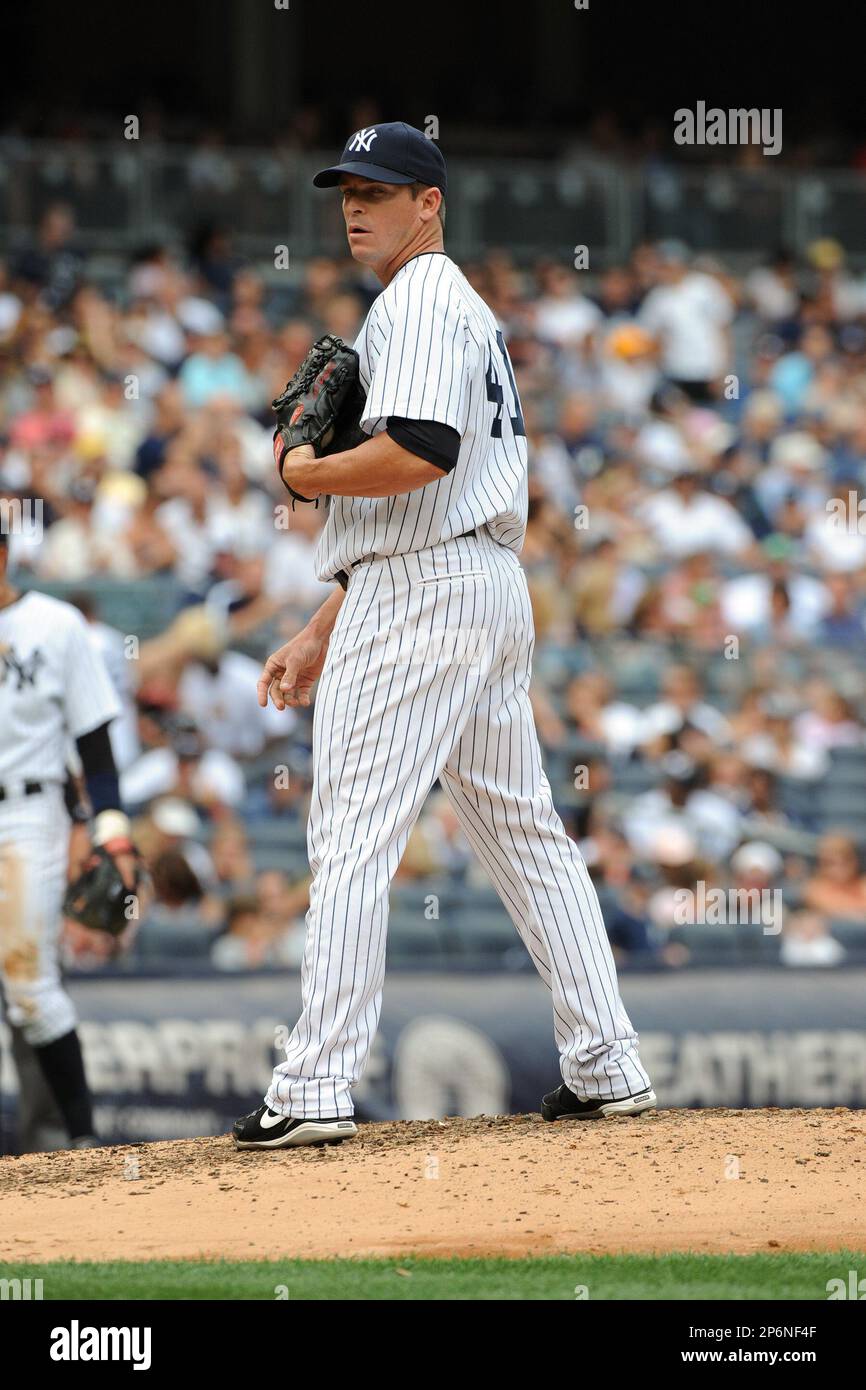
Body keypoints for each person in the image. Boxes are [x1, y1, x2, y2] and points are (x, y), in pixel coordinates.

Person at [233, 122, 656, 1151]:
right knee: (522, 833)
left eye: (378, 187)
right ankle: (606, 1063)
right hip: (472, 586)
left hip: (426, 594)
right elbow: (431, 494)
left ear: (429, 202)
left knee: (350, 834)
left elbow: (420, 451)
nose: (355, 203)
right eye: (346, 188)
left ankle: (318, 1081)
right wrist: (323, 623)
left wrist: (299, 475)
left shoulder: (418, 297)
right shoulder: (454, 305)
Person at [0, 528, 137, 1150]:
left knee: (29, 987)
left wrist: (111, 832)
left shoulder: (55, 625)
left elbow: (96, 749)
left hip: (28, 817)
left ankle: (82, 1144)